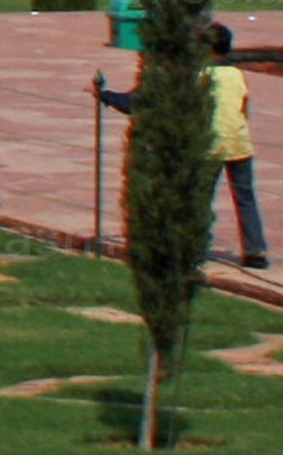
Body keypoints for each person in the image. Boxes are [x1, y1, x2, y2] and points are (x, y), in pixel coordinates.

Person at [95, 20, 268, 270]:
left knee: (200, 200)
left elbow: (142, 102)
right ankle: (255, 251)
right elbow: (243, 108)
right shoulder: (237, 75)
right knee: (245, 198)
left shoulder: (197, 76)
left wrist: (108, 96)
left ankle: (193, 251)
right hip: (239, 143)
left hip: (208, 145)